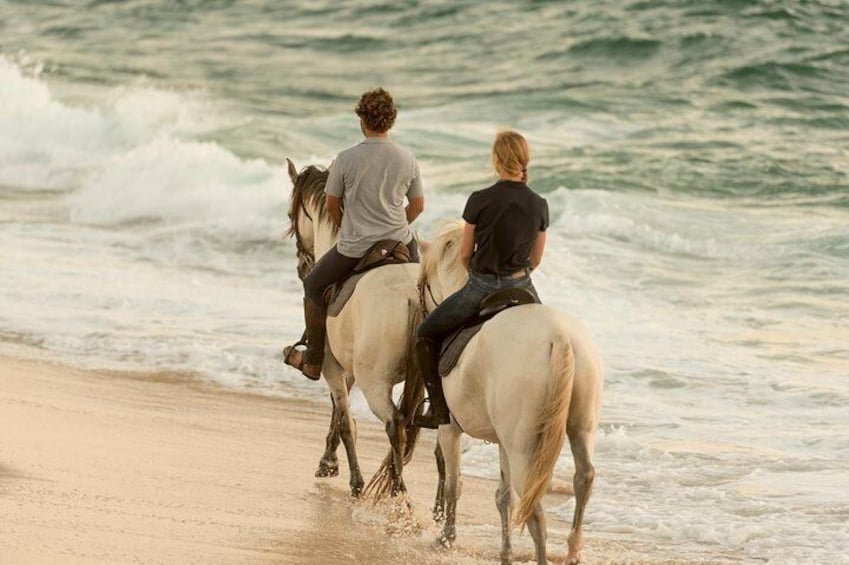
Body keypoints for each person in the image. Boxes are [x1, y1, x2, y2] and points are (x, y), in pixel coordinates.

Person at [284, 88, 425, 380]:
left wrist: (346, 225)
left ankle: (312, 361)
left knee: (312, 285)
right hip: (400, 241)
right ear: (391, 122)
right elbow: (419, 205)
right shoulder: (407, 159)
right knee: (424, 288)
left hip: (356, 245)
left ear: (362, 120)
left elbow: (332, 203)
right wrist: (397, 223)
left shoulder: (346, 159)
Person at [414, 130, 548, 429]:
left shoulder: (479, 200)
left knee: (425, 333)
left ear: (497, 160)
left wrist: (480, 271)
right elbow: (536, 259)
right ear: (525, 161)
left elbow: (464, 254)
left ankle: (437, 410)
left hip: (482, 286)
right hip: (522, 286)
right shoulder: (539, 204)